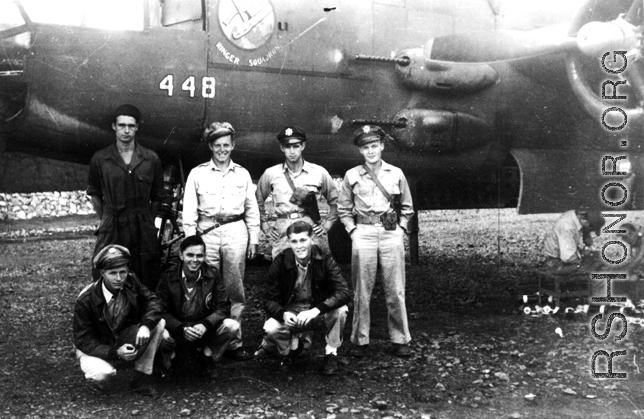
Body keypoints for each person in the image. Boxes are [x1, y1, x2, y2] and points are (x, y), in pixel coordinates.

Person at [182, 122, 259, 361]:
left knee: (234, 288)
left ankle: (234, 342)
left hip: (236, 230)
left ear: (233, 145)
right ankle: (204, 340)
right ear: (210, 147)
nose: (222, 150)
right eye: (217, 145)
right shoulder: (198, 173)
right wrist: (190, 241)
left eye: (226, 145)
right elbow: (189, 211)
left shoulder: (243, 173)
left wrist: (254, 238)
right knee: (206, 285)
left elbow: (252, 209)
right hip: (207, 231)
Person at [337, 125, 415, 358]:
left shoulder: (396, 173)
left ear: (381, 146)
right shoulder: (352, 175)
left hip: (391, 233)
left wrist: (401, 229)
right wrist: (353, 231)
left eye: (374, 146)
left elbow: (408, 207)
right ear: (360, 151)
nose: (370, 151)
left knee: (395, 289)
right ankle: (360, 340)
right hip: (363, 233)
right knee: (362, 289)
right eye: (365, 148)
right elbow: (343, 209)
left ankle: (400, 339)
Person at [73, 245, 172, 397]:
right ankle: (101, 379)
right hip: (95, 347)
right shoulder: (85, 299)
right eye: (113, 273)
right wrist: (114, 352)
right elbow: (83, 339)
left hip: (120, 338)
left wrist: (145, 326)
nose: (119, 278)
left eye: (123, 272)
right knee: (102, 374)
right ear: (102, 273)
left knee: (158, 324)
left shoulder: (131, 281)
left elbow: (154, 302)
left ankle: (140, 378)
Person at [254, 221, 351, 375]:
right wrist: (283, 314)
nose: (299, 246)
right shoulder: (280, 261)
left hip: (315, 310)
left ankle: (331, 353)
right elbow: (268, 300)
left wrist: (316, 310)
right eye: (294, 241)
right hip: (291, 311)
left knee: (340, 310)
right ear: (289, 243)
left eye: (303, 240)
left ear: (312, 239)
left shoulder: (324, 258)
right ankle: (286, 352)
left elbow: (344, 292)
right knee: (271, 327)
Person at [87, 104, 164, 290]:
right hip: (112, 223)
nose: (126, 131)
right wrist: (106, 218)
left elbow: (158, 197)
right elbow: (94, 194)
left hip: (142, 226)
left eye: (131, 126)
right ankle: (111, 314)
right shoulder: (101, 159)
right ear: (114, 126)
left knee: (147, 272)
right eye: (122, 125)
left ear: (137, 127)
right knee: (106, 267)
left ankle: (145, 316)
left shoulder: (150, 159)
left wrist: (146, 220)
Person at [155, 235, 242, 379]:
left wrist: (205, 324)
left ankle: (207, 355)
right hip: (177, 329)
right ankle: (169, 359)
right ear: (181, 255)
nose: (195, 260)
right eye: (190, 255)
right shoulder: (168, 276)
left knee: (231, 325)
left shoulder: (212, 275)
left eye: (199, 256)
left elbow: (223, 307)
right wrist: (179, 327)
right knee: (160, 330)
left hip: (201, 328)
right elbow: (159, 309)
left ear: (204, 257)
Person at [256, 125, 339, 259]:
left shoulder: (318, 172)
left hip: (310, 229)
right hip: (284, 230)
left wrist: (327, 225)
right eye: (288, 147)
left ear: (303, 146)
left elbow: (336, 201)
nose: (292, 151)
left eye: (296, 146)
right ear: (282, 148)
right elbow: (257, 200)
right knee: (284, 271)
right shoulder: (271, 173)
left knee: (314, 272)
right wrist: (265, 225)